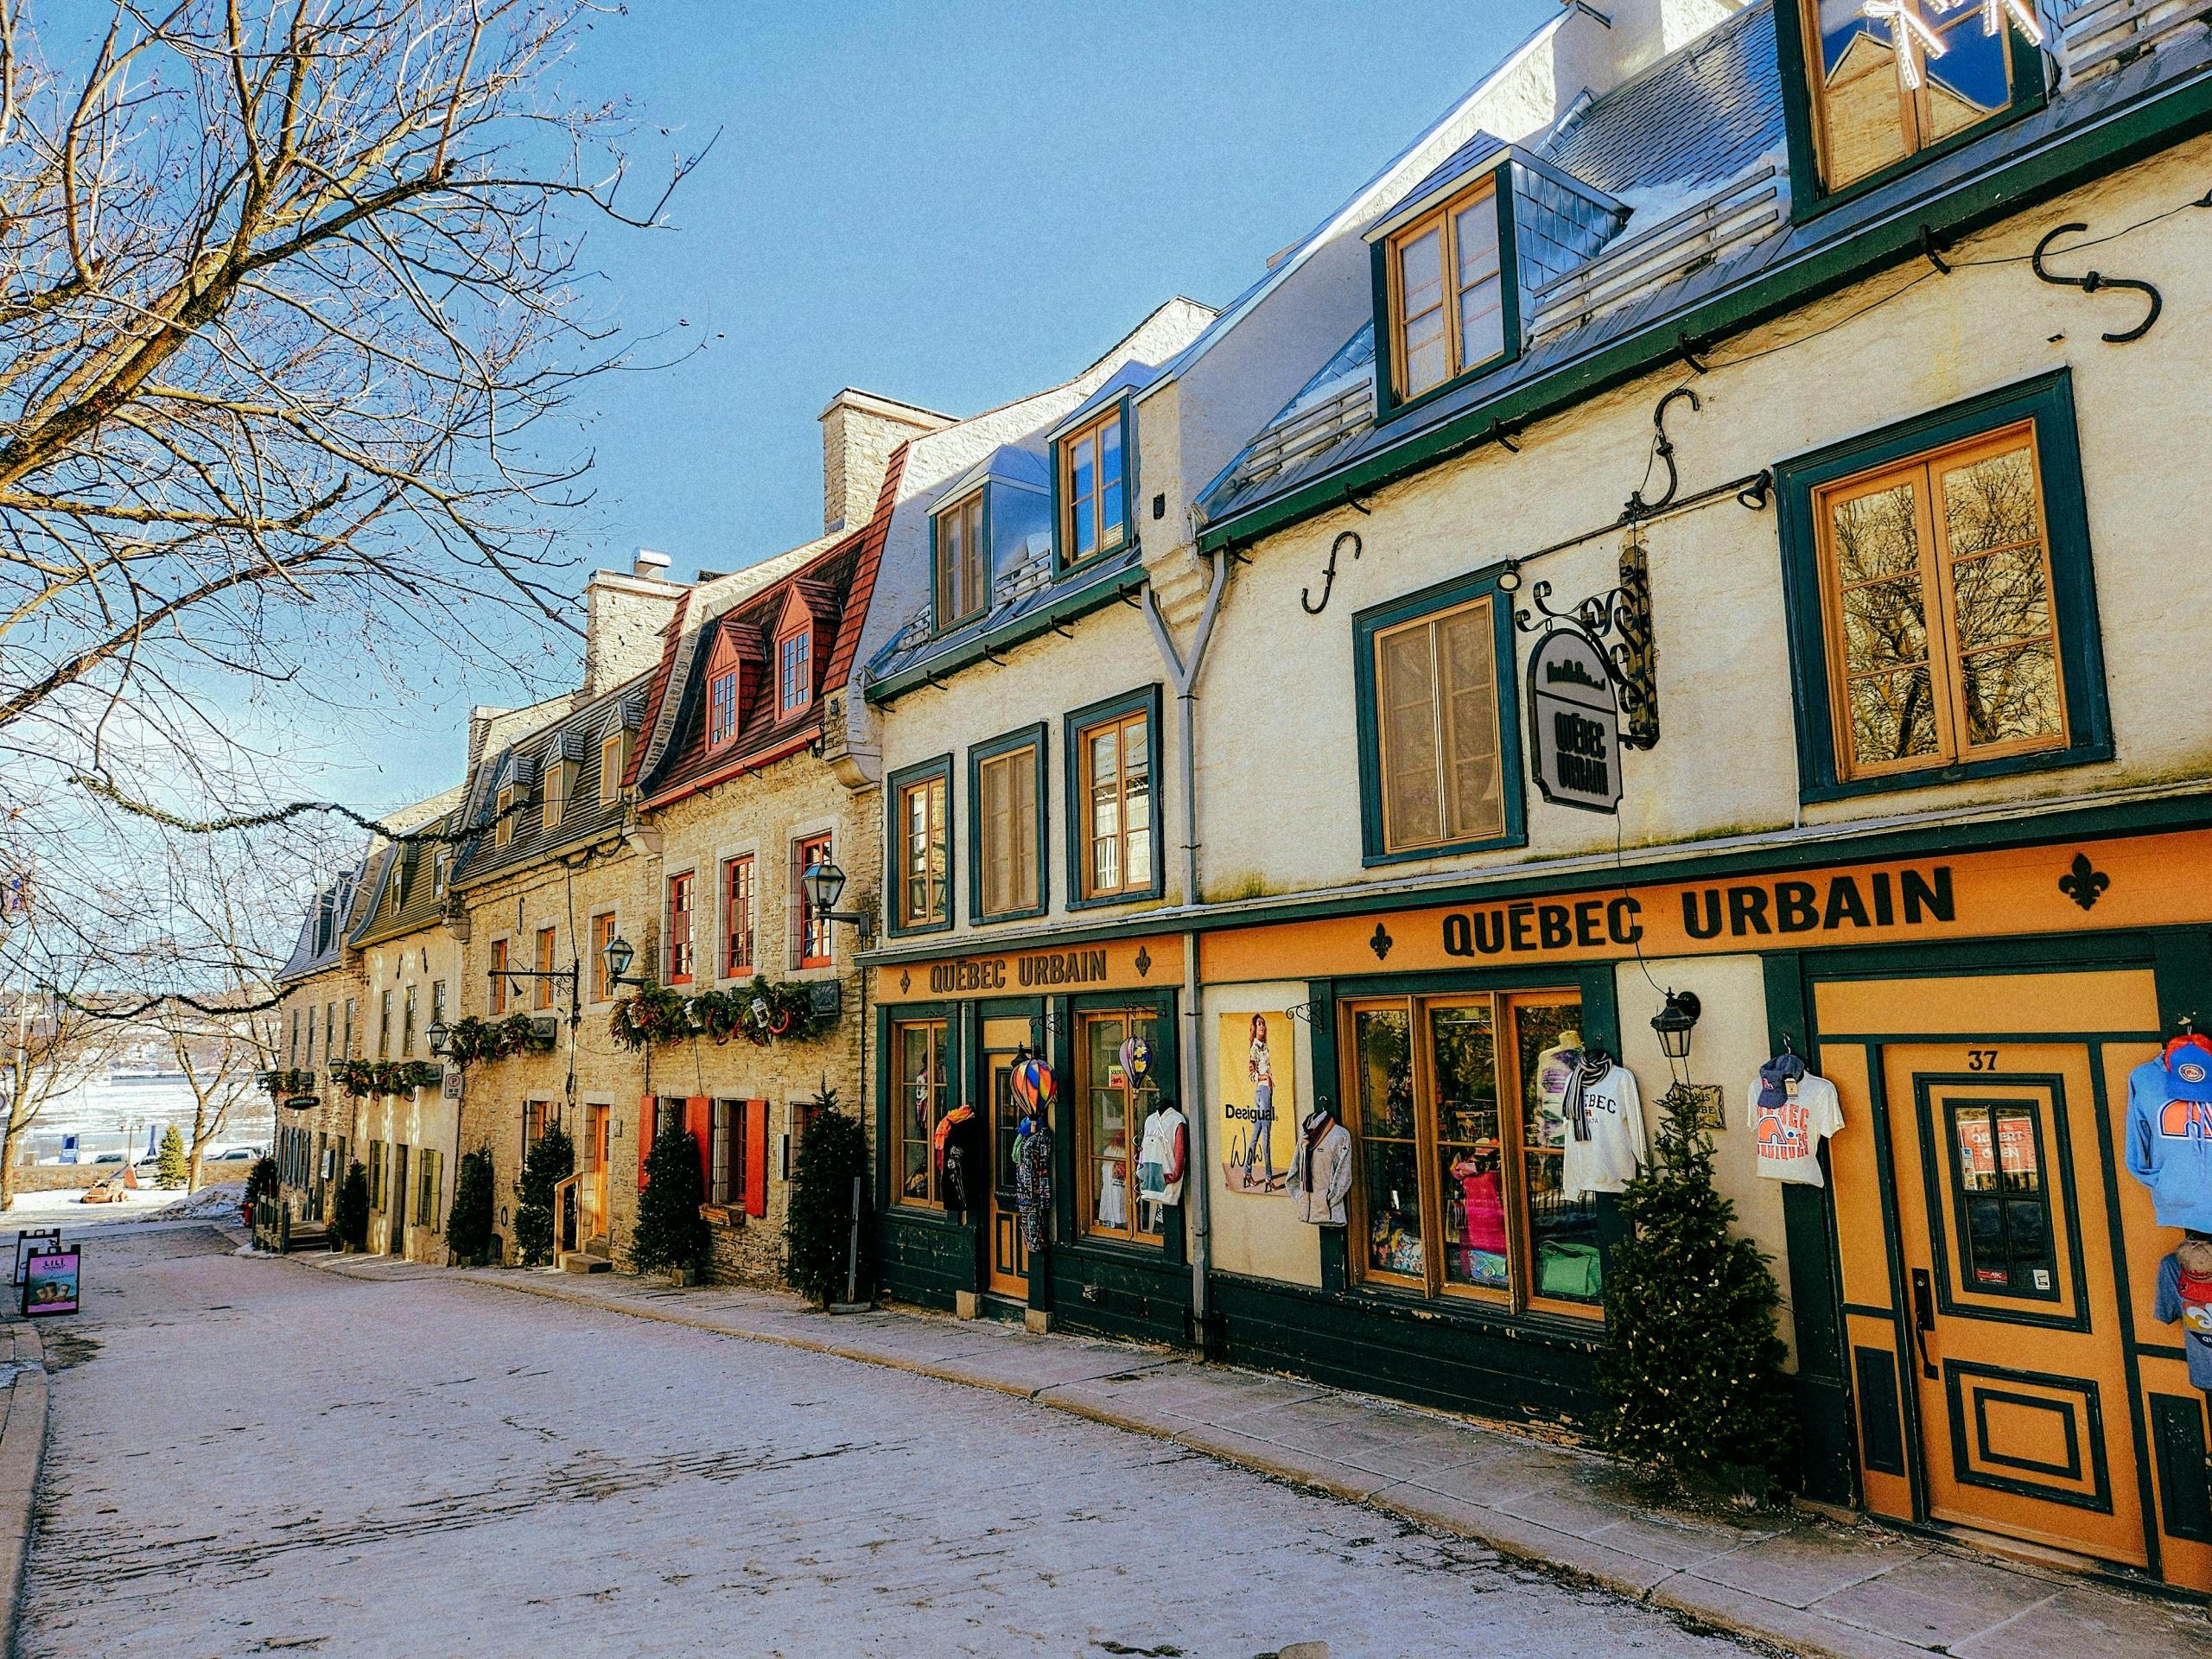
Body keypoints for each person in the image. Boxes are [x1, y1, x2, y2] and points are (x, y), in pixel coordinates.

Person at [1241, 1013, 1281, 1190]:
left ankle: (1247, 1172)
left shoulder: (1264, 1046)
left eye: (1263, 1023)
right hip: (1263, 1092)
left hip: (1265, 1092)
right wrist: (1266, 1077)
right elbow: (1251, 1075)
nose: (1262, 1026)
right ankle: (1269, 1178)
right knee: (1266, 1135)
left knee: (1256, 1134)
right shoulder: (1255, 1048)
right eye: (1259, 1024)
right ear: (1254, 1028)